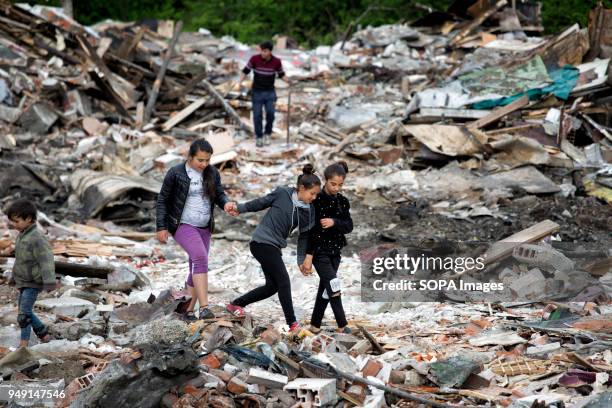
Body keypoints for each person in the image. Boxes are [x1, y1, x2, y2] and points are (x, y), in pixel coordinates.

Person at [225, 164, 320, 332]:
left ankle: (236, 304)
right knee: (284, 281)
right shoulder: (283, 193)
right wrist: (239, 208)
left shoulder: (309, 211)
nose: (314, 197)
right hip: (261, 242)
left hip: (274, 246)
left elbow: (304, 237)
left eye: (316, 195)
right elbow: (260, 203)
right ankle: (292, 324)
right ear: (301, 188)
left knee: (272, 286)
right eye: (312, 193)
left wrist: (301, 260)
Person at [156, 139, 236, 321]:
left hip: (204, 226)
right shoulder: (176, 173)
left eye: (207, 160)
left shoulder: (212, 173)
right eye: (200, 160)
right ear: (190, 157)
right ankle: (205, 308)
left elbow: (219, 195)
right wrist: (161, 226)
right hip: (182, 224)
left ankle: (187, 310)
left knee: (195, 264)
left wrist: (226, 204)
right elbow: (163, 200)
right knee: (200, 258)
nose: (204, 164)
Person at [301, 161, 353, 334]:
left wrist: (334, 222)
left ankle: (315, 324)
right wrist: (308, 256)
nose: (336, 188)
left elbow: (349, 225)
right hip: (320, 251)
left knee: (326, 288)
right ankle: (342, 325)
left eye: (340, 185)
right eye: (333, 184)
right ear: (325, 180)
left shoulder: (343, 202)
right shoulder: (318, 200)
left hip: (336, 251)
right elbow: (313, 230)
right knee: (334, 286)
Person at [6, 199, 56, 347]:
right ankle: (43, 334)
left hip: (33, 281)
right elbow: (21, 259)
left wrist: (49, 281)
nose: (14, 225)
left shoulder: (37, 237)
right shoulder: (23, 235)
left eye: (16, 221)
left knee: (23, 315)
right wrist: (14, 278)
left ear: (28, 219)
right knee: (25, 311)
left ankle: (23, 346)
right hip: (23, 280)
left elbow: (46, 260)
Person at [238, 40, 289, 148]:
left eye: (265, 51)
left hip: (270, 92)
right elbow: (245, 70)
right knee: (257, 115)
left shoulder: (276, 62)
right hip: (257, 92)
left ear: (270, 52)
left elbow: (281, 74)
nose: (263, 53)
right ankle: (259, 137)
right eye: (262, 51)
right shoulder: (254, 59)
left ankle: (267, 134)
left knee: (270, 114)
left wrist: (289, 81)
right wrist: (240, 82)